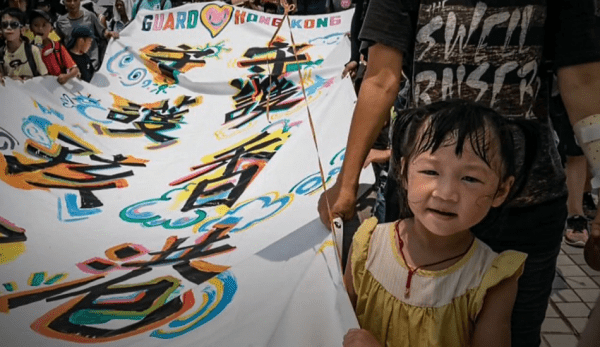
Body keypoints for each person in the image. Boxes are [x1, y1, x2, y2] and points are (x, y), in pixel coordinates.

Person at [318, 1, 600, 346]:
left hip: (524, 210)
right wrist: (345, 184)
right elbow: (380, 79)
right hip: (418, 213)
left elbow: (585, 84)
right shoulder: (370, 244)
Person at [343, 100, 526, 347]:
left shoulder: (491, 282)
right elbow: (336, 321)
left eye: (470, 178)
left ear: (501, 190)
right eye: (431, 172)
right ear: (404, 171)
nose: (445, 193)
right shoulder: (367, 247)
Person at [55, 0, 119, 71]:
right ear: (64, 3)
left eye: (75, 0)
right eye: (69, 1)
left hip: (92, 63)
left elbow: (102, 32)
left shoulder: (90, 16)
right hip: (73, 65)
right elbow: (58, 42)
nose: (72, 3)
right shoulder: (60, 22)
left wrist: (110, 33)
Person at [29, 9, 79, 84]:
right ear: (30, 28)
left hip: (56, 88)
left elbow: (75, 69)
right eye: (36, 25)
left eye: (44, 25)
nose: (40, 29)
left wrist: (67, 76)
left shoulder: (57, 47)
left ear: (51, 28)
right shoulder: (27, 49)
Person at [0, 7, 48, 81]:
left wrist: (24, 79)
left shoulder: (32, 50)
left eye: (14, 24)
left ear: (22, 29)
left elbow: (45, 77)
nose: (9, 28)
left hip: (33, 91)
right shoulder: (1, 53)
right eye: (4, 25)